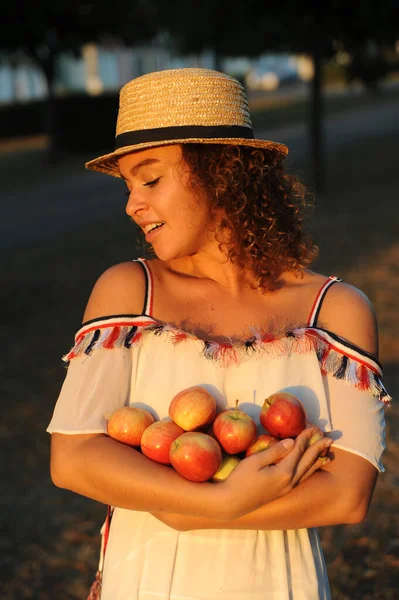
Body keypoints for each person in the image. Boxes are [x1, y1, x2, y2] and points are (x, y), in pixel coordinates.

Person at [47, 68, 390, 600]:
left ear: (221, 173)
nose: (131, 203)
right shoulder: (129, 293)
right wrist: (217, 503)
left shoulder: (336, 310)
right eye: (128, 184)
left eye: (150, 178)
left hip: (280, 585)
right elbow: (74, 459)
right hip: (146, 582)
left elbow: (346, 496)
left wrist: (179, 504)